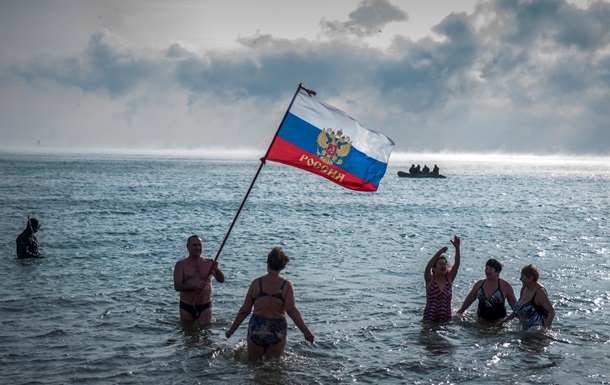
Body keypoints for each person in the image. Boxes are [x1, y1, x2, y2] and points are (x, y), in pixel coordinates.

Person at [225, 247, 314, 361]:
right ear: (283, 266)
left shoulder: (257, 283)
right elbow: (291, 310)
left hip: (257, 326)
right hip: (277, 328)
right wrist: (306, 332)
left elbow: (245, 310)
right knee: (273, 367)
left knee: (253, 364)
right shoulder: (286, 285)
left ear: (267, 263)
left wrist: (231, 331)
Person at [173, 234, 225, 326]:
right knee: (188, 335)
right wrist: (194, 285)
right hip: (186, 306)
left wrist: (216, 269)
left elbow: (221, 280)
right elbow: (177, 286)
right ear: (188, 247)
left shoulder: (208, 263)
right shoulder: (181, 265)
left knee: (206, 334)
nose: (197, 247)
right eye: (194, 245)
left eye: (199, 245)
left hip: (205, 305)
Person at [496, 264, 555, 331]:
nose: (520, 279)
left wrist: (546, 329)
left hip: (535, 332)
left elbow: (551, 312)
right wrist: (506, 320)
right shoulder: (524, 289)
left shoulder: (539, 292)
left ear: (530, 278)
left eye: (522, 277)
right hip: (524, 328)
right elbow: (518, 309)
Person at [457, 258, 517, 323]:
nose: (487, 271)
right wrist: (461, 310)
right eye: (486, 268)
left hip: (498, 323)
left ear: (497, 272)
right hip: (481, 321)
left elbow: (513, 303)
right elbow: (470, 298)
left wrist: (519, 317)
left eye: (490, 269)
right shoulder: (479, 284)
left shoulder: (505, 286)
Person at [423, 235, 461, 323]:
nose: (443, 266)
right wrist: (439, 253)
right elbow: (427, 268)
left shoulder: (449, 279)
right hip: (429, 321)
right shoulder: (430, 280)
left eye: (444, 264)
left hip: (445, 321)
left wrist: (457, 249)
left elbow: (457, 264)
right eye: (440, 264)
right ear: (434, 268)